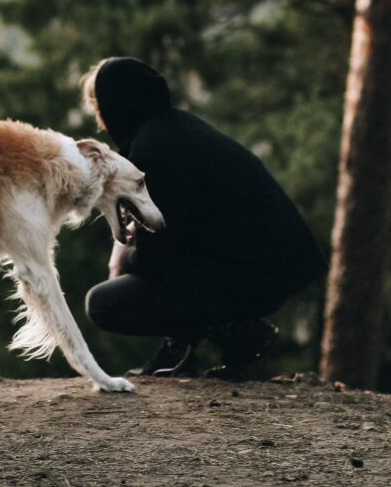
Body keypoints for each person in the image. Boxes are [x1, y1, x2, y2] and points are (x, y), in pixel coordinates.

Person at [79, 57, 326, 376]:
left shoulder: (153, 152)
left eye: (99, 109)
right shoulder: (174, 130)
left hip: (254, 275)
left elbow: (157, 260)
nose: (100, 122)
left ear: (114, 107)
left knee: (103, 304)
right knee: (171, 277)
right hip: (269, 266)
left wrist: (123, 259)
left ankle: (241, 334)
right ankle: (182, 350)